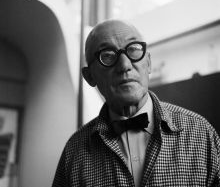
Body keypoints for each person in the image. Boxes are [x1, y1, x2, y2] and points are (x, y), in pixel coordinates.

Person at [52, 20, 220, 187]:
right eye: (108, 56)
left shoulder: (201, 134)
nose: (125, 65)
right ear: (89, 77)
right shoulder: (74, 151)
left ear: (148, 63)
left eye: (133, 49)